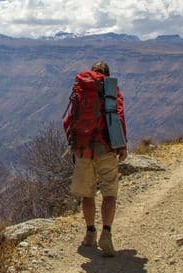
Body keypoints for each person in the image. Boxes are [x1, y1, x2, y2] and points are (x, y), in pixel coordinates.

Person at [62, 61, 127, 257]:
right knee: (109, 193)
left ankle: (90, 233)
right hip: (105, 148)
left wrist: (74, 143)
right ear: (108, 74)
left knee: (87, 194)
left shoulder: (81, 88)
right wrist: (122, 146)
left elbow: (68, 120)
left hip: (83, 149)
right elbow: (120, 118)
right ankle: (106, 232)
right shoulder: (111, 90)